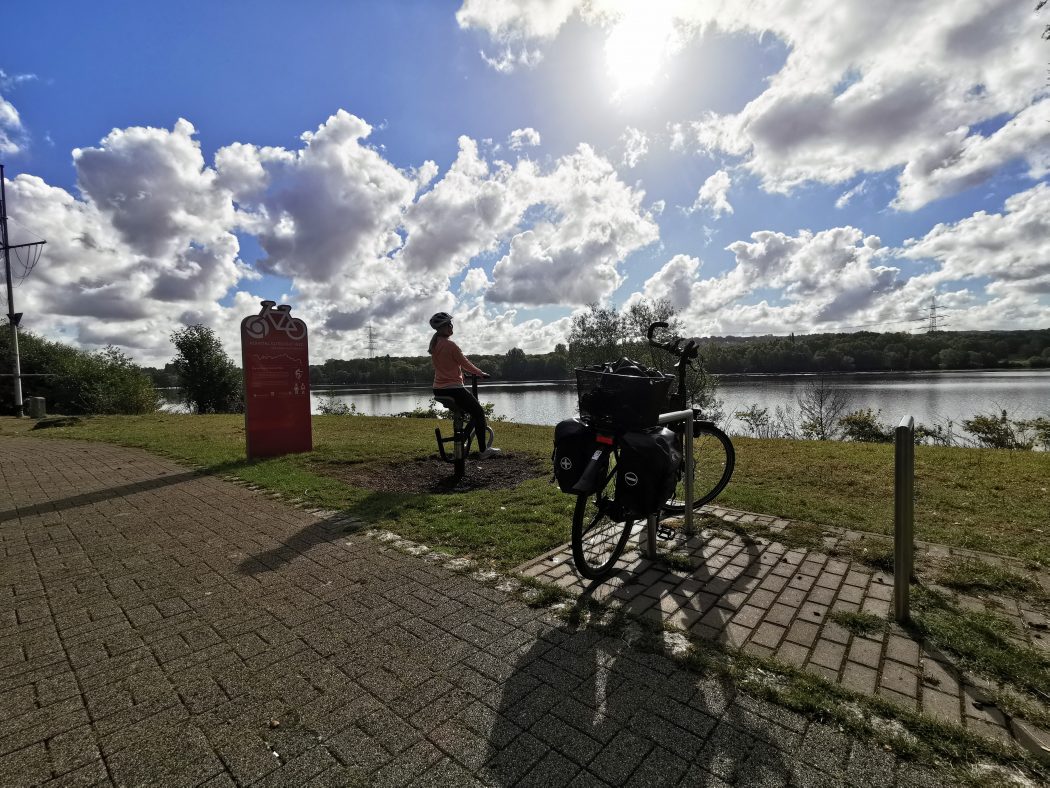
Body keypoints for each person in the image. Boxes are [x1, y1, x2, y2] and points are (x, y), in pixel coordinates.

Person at [428, 312, 500, 459]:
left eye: (450, 324)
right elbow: (464, 362)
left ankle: (464, 440)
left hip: (438, 389)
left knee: (473, 413)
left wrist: (461, 376)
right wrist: (480, 373)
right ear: (441, 329)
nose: (450, 326)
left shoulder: (435, 345)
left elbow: (447, 365)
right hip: (453, 389)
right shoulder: (450, 345)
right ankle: (482, 450)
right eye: (447, 325)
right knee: (479, 413)